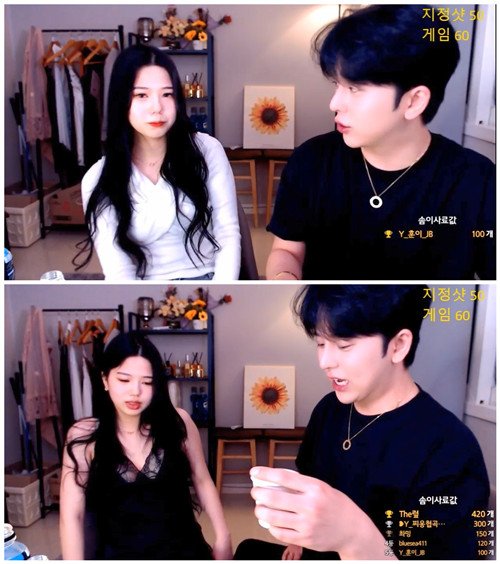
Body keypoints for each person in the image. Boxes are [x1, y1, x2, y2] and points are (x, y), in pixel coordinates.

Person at [236, 285, 490, 560]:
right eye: (320, 343)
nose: (324, 361)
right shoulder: (328, 409)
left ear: (398, 345)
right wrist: (297, 539)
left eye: (344, 345)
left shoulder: (451, 449)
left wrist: (354, 535)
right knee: (246, 550)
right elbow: (309, 481)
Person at [266, 5, 495, 281]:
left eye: (354, 88)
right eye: (336, 85)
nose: (334, 103)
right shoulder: (311, 161)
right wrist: (284, 277)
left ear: (414, 101)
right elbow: (286, 249)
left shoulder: (477, 180)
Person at [59, 332, 232, 560]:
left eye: (147, 382)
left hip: (185, 551)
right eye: (124, 380)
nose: (135, 391)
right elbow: (72, 516)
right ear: (105, 380)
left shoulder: (178, 422)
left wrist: (223, 536)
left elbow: (202, 479)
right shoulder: (84, 436)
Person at [76, 44, 240, 280]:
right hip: (146, 289)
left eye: (167, 94)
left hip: (210, 279)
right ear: (122, 100)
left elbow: (227, 233)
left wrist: (220, 292)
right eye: (141, 95)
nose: (157, 108)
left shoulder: (206, 150)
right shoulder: (98, 178)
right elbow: (118, 269)